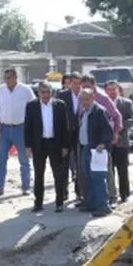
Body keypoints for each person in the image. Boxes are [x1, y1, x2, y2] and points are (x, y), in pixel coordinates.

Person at [24, 82, 70, 212]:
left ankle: (59, 202)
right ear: (38, 93)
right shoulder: (31, 106)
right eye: (42, 92)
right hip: (39, 144)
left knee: (58, 174)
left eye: (48, 92)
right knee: (39, 174)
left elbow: (64, 127)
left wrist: (65, 146)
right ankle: (38, 203)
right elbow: (28, 127)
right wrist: (27, 146)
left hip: (55, 143)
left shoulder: (59, 105)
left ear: (52, 92)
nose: (45, 95)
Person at [78, 74, 123, 203]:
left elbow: (116, 116)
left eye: (88, 86)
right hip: (87, 142)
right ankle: (91, 200)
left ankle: (110, 198)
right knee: (88, 173)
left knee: (104, 172)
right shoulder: (82, 99)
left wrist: (114, 134)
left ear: (94, 85)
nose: (85, 88)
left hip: (99, 143)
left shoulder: (101, 100)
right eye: (83, 86)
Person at [0, 68, 35, 197]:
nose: (7, 80)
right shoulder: (1, 89)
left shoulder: (25, 90)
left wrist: (30, 125)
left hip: (20, 129)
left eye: (9, 78)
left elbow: (33, 107)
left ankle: (26, 187)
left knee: (24, 159)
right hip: (4, 129)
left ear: (16, 77)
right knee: (1, 159)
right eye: (5, 78)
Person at [77, 88, 114, 217]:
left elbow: (108, 131)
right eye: (82, 99)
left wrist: (103, 143)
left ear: (93, 98)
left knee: (98, 178)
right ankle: (92, 203)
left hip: (97, 150)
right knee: (88, 176)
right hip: (86, 148)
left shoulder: (100, 111)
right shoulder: (84, 112)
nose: (84, 102)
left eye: (87, 99)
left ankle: (103, 206)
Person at [104, 80, 133, 203]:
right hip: (107, 142)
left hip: (122, 141)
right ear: (106, 90)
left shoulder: (126, 103)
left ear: (118, 90)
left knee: (122, 169)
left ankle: (124, 194)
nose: (112, 92)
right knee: (109, 170)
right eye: (110, 89)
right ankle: (111, 194)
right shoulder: (102, 103)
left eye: (114, 89)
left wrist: (121, 126)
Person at [56, 72, 83, 201]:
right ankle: (63, 192)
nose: (77, 86)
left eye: (79, 83)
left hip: (80, 134)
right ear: (69, 83)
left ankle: (79, 191)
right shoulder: (62, 95)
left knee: (79, 164)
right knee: (64, 164)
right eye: (74, 83)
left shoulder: (86, 95)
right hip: (65, 135)